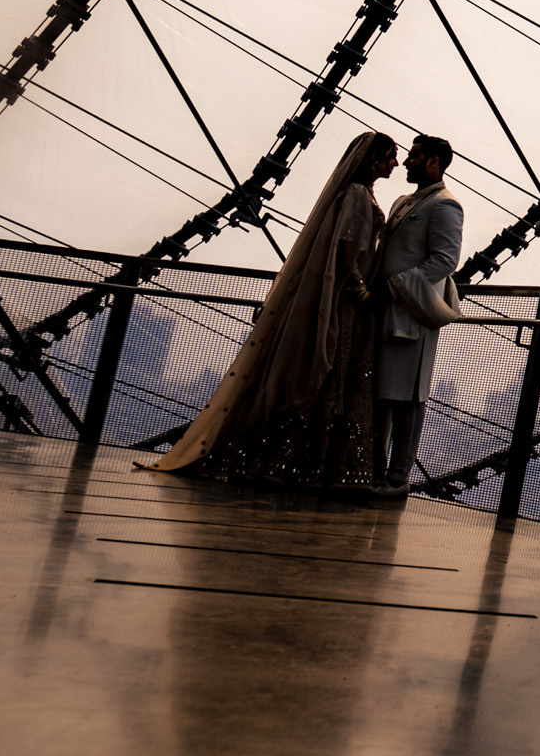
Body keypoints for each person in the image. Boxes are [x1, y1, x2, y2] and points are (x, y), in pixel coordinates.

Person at [145, 131, 395, 487]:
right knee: (327, 379)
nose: (395, 163)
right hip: (344, 304)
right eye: (390, 156)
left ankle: (295, 465)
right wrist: (360, 292)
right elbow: (345, 251)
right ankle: (309, 469)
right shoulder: (356, 195)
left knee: (325, 379)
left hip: (341, 300)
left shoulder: (356, 193)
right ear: (374, 159)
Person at [374, 134, 463, 494]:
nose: (407, 162)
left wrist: (397, 286)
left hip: (412, 314)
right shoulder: (403, 202)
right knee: (383, 394)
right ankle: (378, 471)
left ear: (435, 163)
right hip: (388, 309)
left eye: (415, 156)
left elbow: (445, 260)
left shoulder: (445, 205)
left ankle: (398, 477)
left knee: (409, 398)